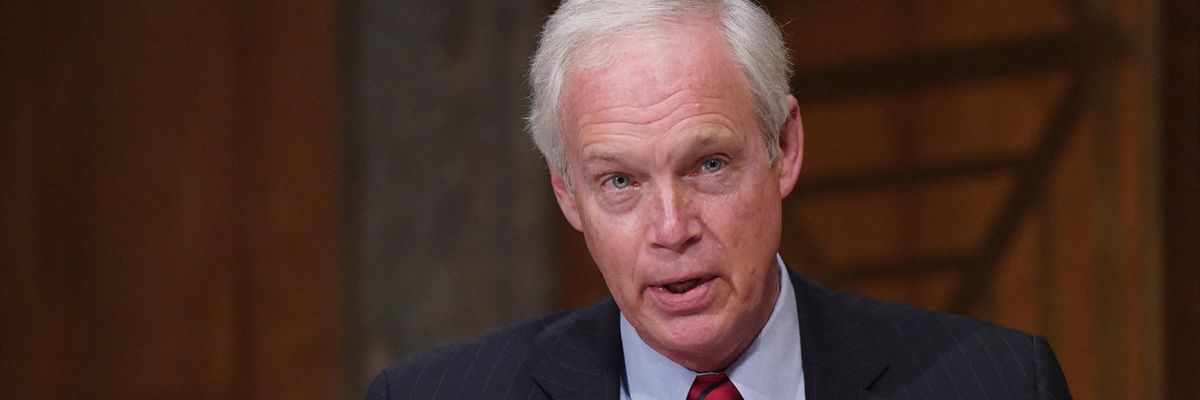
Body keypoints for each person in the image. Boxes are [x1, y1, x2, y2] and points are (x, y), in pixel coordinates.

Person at [366, 0, 1072, 399]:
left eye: (708, 165)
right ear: (566, 192)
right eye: (620, 182)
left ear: (784, 148)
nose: (671, 229)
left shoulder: (1000, 387)